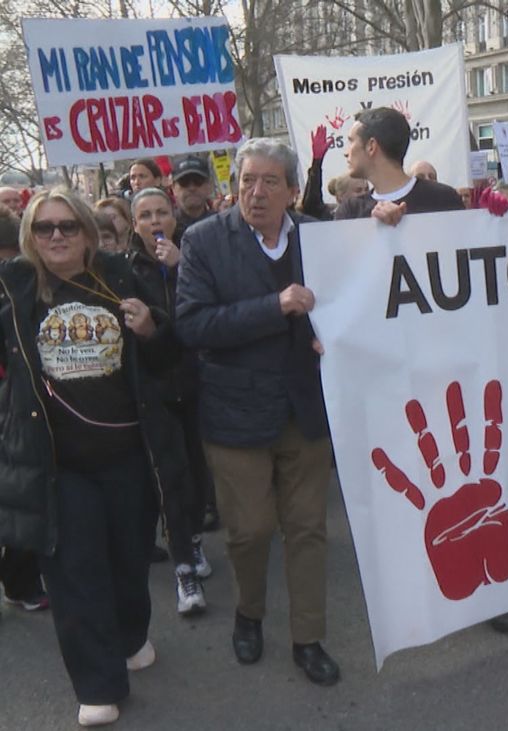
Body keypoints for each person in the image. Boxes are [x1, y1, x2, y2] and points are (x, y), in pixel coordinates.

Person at [0, 187, 187, 727]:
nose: (55, 237)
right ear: (29, 238)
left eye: (67, 227)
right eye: (44, 229)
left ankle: (130, 637)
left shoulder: (120, 277)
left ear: (86, 231)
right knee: (75, 574)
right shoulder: (16, 290)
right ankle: (97, 683)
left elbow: (170, 357)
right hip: (58, 464)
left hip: (129, 454)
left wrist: (151, 330)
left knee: (130, 559)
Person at [175, 138, 340, 686]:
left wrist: (386, 217)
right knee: (249, 531)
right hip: (236, 415)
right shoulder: (202, 241)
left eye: (271, 181)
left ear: (294, 190)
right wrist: (275, 307)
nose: (257, 191)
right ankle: (249, 613)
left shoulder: (322, 238)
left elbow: (360, 297)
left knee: (308, 530)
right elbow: (194, 325)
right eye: (248, 180)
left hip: (306, 410)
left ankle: (308, 637)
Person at [129, 188, 215, 615]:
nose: (154, 220)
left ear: (174, 216)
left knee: (200, 473)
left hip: (196, 383)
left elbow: (202, 313)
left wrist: (181, 269)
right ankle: (183, 566)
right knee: (171, 475)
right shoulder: (126, 270)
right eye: (145, 215)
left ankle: (195, 540)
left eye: (161, 211)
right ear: (134, 224)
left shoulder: (192, 257)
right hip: (155, 388)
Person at [0, 206, 49, 614]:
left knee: (19, 492)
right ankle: (20, 580)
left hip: (15, 404)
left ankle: (20, 580)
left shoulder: (20, 285)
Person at [335, 107, 463, 221]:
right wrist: (371, 229)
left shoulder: (443, 199)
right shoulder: (350, 211)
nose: (346, 152)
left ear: (371, 146)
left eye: (351, 141)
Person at [170, 155, 215, 229]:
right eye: (184, 182)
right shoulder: (168, 227)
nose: (192, 188)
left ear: (209, 186)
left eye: (198, 181)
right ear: (173, 188)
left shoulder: (222, 226)